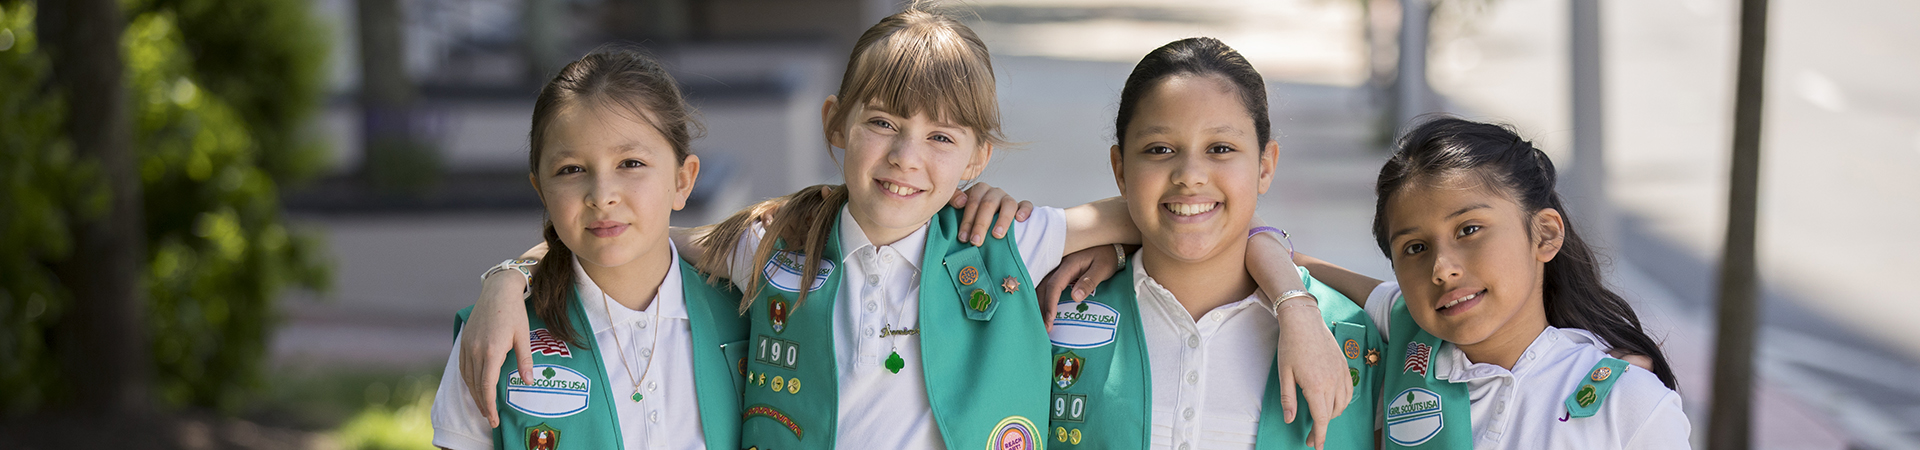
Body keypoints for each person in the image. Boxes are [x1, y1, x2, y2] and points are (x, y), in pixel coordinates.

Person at [460, 7, 1353, 450]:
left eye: (941, 137)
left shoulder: (1007, 240)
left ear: (977, 158)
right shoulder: (772, 243)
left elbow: (1189, 216)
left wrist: (1292, 294)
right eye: (883, 122)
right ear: (835, 124)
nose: (906, 156)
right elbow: (629, 239)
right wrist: (514, 271)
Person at [1034, 37, 1379, 450]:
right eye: (1160, 149)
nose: (1190, 174)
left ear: (1265, 166)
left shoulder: (1347, 333)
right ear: (1120, 169)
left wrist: (1296, 303)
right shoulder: (1056, 309)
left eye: (1220, 148)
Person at [1297, 117, 1689, 449]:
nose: (1442, 269)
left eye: (1469, 229)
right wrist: (1290, 303)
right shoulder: (1404, 332)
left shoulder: (1627, 403)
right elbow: (1269, 251)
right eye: (1415, 248)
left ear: (1545, 234)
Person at [428, 48, 747, 449]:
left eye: (630, 163)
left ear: (683, 180)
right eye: (571, 170)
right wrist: (507, 277)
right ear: (541, 190)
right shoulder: (495, 336)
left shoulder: (749, 314)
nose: (602, 195)